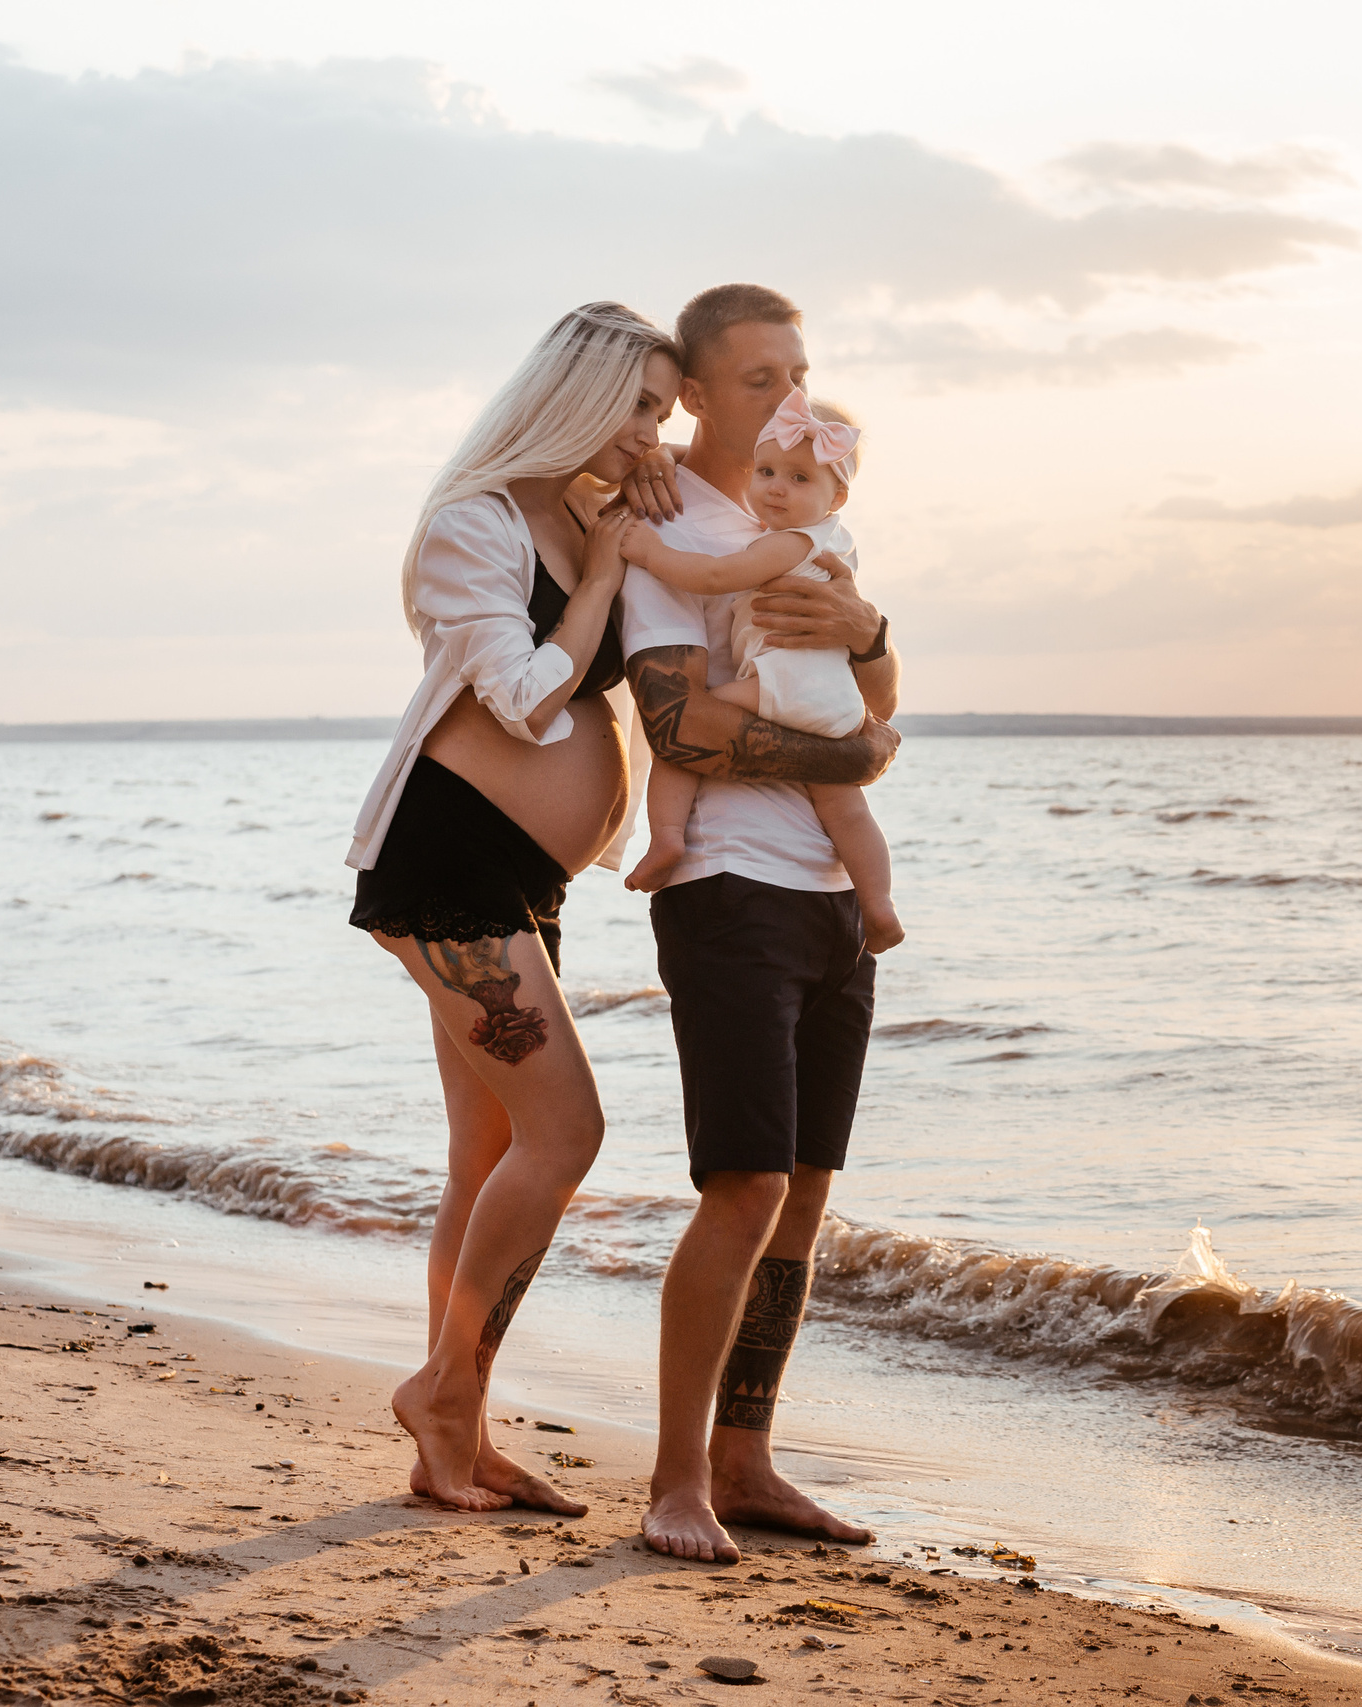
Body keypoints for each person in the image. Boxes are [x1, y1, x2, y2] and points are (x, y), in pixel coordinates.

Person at [344, 301, 683, 1514]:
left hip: (518, 885)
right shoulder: (473, 522)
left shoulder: (595, 511)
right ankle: (441, 1392)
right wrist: (597, 577)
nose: (656, 429)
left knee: (488, 1153)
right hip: (450, 873)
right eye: (641, 403)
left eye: (666, 408)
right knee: (566, 1137)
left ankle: (457, 1431)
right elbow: (529, 703)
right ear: (582, 395)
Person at [611, 282, 901, 1563]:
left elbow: (874, 702)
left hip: (832, 902)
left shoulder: (814, 508)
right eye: (753, 378)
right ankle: (675, 1481)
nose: (783, 397)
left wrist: (872, 631)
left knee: (805, 1199)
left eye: (797, 372)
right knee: (744, 1188)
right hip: (729, 887)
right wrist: (851, 760)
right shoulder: (669, 519)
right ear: (693, 389)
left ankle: (749, 1459)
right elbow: (681, 724)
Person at [619, 386, 902, 954]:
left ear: (836, 494)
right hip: (836, 700)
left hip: (781, 684)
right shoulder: (835, 544)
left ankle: (667, 837)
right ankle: (878, 904)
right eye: (767, 470)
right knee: (846, 808)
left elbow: (719, 575)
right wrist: (666, 454)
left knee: (685, 732)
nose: (775, 487)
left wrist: (650, 553)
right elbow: (882, 704)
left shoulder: (788, 544)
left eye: (799, 479)